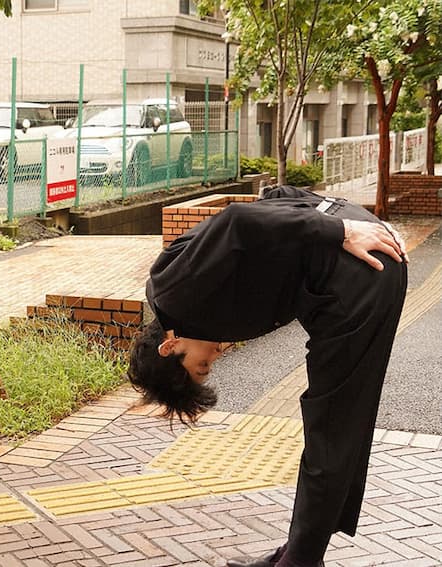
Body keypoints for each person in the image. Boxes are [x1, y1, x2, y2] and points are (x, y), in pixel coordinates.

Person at [128, 185, 409, 567]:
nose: (216, 356)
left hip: (357, 278)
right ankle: (296, 554)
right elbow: (274, 197)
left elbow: (239, 220)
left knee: (333, 432)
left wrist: (344, 230)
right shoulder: (184, 302)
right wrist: (350, 221)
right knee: (339, 429)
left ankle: (299, 561)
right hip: (355, 265)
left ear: (169, 346)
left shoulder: (175, 289)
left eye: (202, 366)